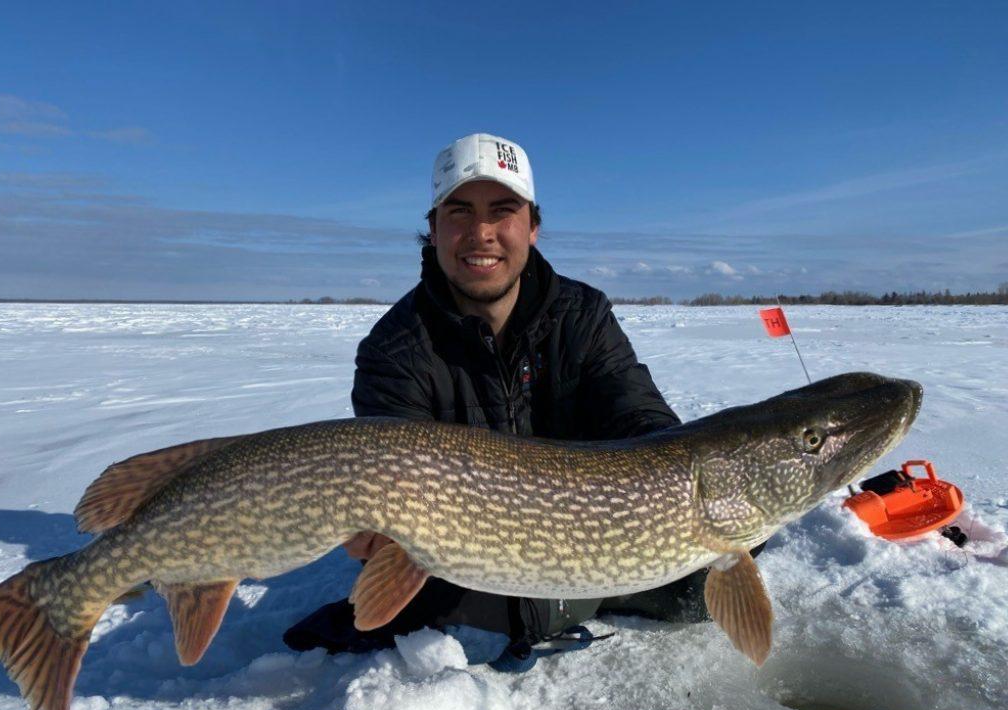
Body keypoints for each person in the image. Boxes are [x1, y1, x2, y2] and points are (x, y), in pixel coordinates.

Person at [283, 133, 756, 658]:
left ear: (532, 226)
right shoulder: (395, 349)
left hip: (594, 551)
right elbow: (390, 485)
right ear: (434, 230)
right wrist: (380, 535)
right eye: (459, 212)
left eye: (502, 211)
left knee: (721, 556)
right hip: (464, 575)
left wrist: (675, 497)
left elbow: (641, 419)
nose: (481, 233)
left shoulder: (583, 316)